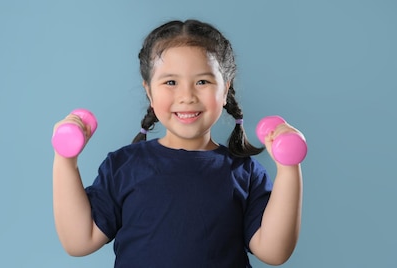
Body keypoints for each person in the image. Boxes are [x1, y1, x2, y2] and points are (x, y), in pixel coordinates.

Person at [52, 19, 303, 267]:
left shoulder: (244, 172)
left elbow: (274, 252)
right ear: (149, 91)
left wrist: (289, 168)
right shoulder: (123, 166)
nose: (187, 96)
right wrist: (65, 159)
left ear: (225, 91)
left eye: (202, 82)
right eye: (171, 82)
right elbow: (79, 241)